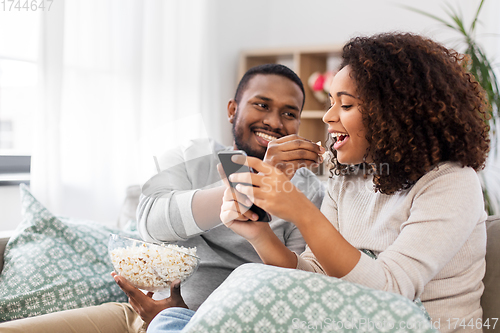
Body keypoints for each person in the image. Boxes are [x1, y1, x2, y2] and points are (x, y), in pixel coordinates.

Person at [0, 63, 325, 333]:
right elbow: (152, 223)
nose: (273, 121)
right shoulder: (193, 155)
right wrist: (245, 187)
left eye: (289, 113)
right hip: (145, 313)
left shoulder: (308, 190)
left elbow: (292, 282)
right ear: (232, 109)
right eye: (262, 105)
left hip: (234, 323)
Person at [219, 33, 489, 333]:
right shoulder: (347, 177)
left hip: (422, 326)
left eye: (345, 106)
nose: (328, 117)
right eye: (331, 102)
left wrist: (302, 211)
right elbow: (314, 276)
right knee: (242, 284)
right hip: (352, 323)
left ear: (394, 113)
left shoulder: (451, 182)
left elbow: (392, 292)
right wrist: (260, 235)